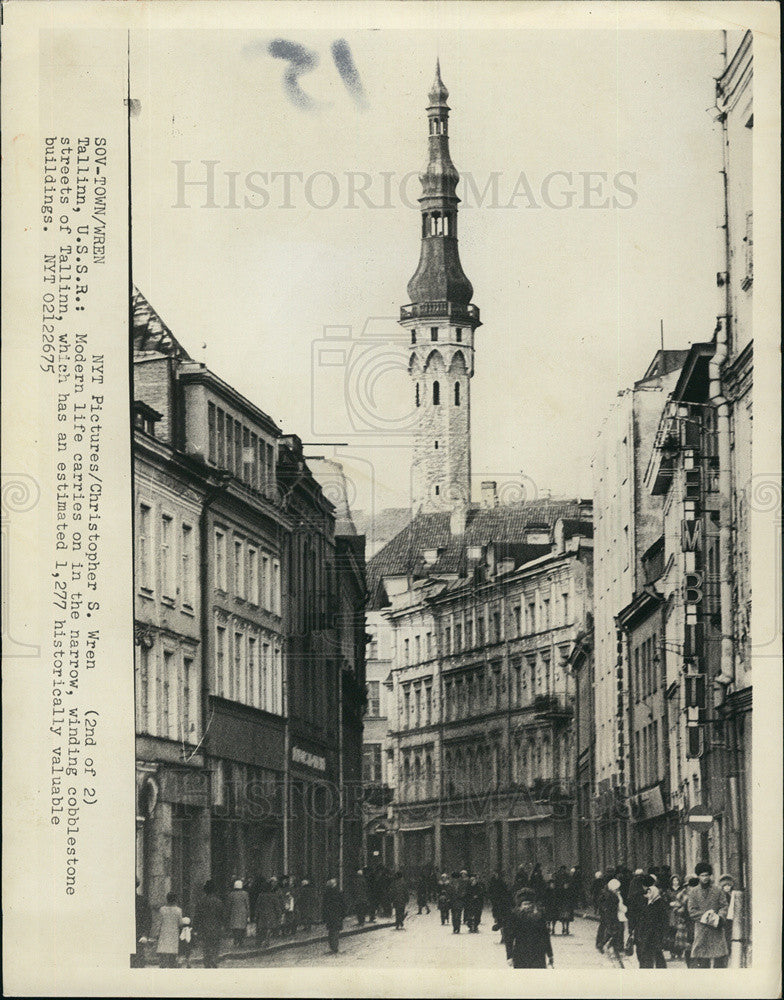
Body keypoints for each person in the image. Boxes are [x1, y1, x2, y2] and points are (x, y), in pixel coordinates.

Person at [687, 862, 729, 968]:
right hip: (702, 930)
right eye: (702, 875)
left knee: (719, 962)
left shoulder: (718, 890)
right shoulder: (693, 892)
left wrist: (719, 918)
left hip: (716, 930)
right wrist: (708, 917)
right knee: (702, 962)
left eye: (707, 875)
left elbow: (724, 906)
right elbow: (692, 911)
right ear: (698, 876)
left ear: (710, 875)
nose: (705, 878)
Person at [507, 888, 554, 969]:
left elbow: (545, 936)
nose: (528, 906)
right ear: (520, 906)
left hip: (538, 953)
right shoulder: (515, 917)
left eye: (530, 904)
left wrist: (550, 954)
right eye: (525, 904)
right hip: (520, 953)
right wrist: (509, 956)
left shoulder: (539, 916)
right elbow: (509, 938)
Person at [635, 875, 668, 968]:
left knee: (657, 957)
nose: (648, 895)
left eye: (649, 893)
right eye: (647, 892)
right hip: (647, 935)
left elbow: (664, 921)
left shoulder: (659, 903)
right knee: (648, 957)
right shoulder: (649, 903)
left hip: (656, 935)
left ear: (654, 893)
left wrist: (663, 935)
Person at [194, 880, 225, 968]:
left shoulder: (201, 902)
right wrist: (223, 927)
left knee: (206, 947)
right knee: (215, 946)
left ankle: (207, 962)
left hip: (204, 929)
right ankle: (214, 960)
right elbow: (222, 916)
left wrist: (195, 929)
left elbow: (197, 917)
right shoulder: (219, 902)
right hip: (216, 928)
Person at [596, 878, 626, 968]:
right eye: (617, 888)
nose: (618, 890)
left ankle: (605, 944)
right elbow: (614, 906)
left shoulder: (609, 893)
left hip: (611, 916)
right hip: (612, 916)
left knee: (614, 931)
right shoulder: (611, 895)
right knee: (615, 931)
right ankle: (606, 945)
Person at [156, 892, 185, 968]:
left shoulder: (162, 909)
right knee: (172, 953)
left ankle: (163, 967)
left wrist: (157, 933)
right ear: (175, 899)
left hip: (164, 933)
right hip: (173, 933)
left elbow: (159, 922)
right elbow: (180, 923)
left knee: (164, 952)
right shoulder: (178, 910)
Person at [322, 877, 345, 954]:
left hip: (330, 916)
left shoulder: (326, 893)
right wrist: (343, 914)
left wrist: (324, 916)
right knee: (335, 932)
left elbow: (324, 906)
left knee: (331, 931)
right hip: (337, 915)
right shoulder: (339, 892)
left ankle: (332, 946)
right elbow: (343, 904)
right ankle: (335, 947)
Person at [133, 880, 152, 967]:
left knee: (138, 963)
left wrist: (145, 935)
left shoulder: (142, 900)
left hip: (138, 937)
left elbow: (147, 919)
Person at [227, 879, 250, 947]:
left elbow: (229, 905)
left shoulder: (231, 894)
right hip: (243, 913)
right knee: (242, 928)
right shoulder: (245, 894)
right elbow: (247, 905)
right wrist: (248, 915)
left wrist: (228, 914)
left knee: (235, 928)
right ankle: (241, 941)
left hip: (234, 912)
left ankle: (236, 940)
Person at [718, 873, 736, 956]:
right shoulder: (721, 895)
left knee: (729, 934)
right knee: (725, 935)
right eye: (725, 886)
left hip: (730, 917)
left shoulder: (732, 894)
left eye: (729, 885)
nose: (727, 887)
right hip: (724, 917)